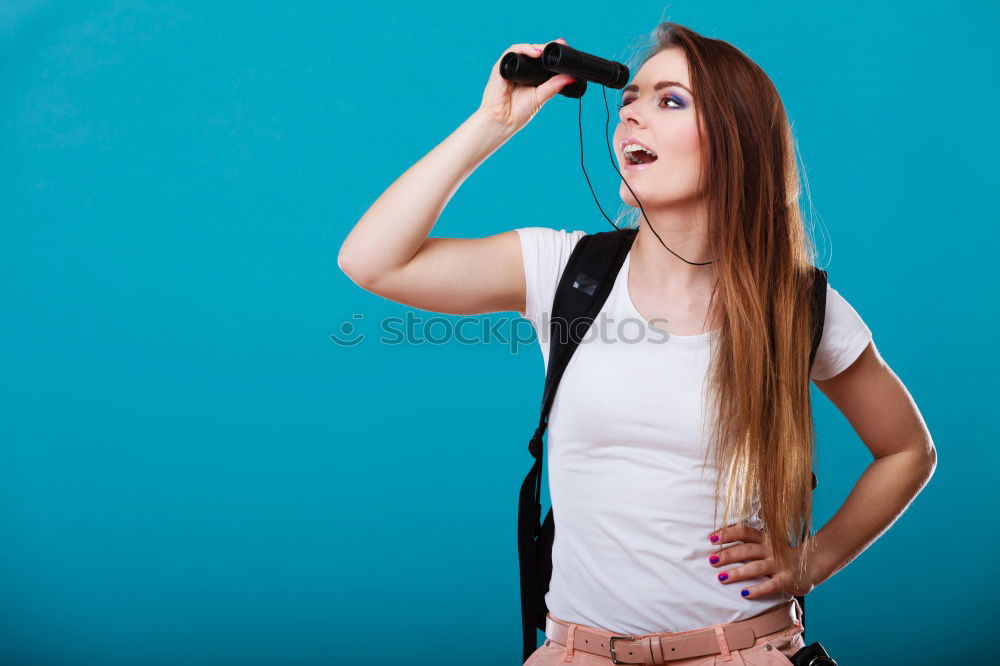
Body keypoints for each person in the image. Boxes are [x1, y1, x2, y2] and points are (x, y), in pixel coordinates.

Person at [338, 22, 936, 666]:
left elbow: (906, 449)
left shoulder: (797, 306)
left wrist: (810, 561)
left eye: (669, 101)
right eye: (629, 101)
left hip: (742, 652)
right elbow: (373, 262)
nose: (631, 118)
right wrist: (493, 124)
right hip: (577, 653)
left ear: (737, 140)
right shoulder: (563, 272)